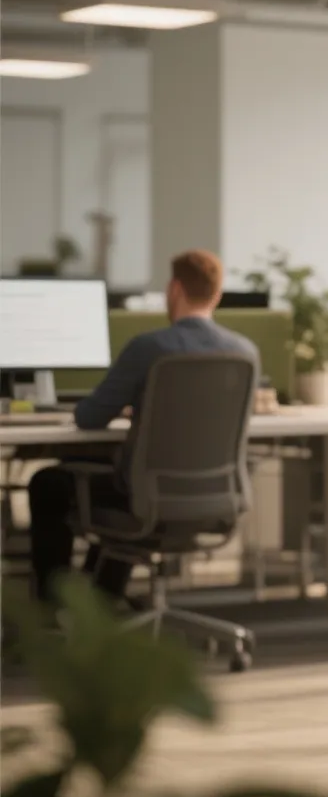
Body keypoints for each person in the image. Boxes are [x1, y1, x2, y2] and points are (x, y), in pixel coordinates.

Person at [27, 250, 258, 602]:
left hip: (148, 501)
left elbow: (87, 418)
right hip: (213, 501)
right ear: (217, 294)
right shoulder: (245, 352)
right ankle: (100, 601)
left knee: (49, 483)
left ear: (174, 289)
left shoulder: (148, 347)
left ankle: (50, 611)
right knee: (124, 472)